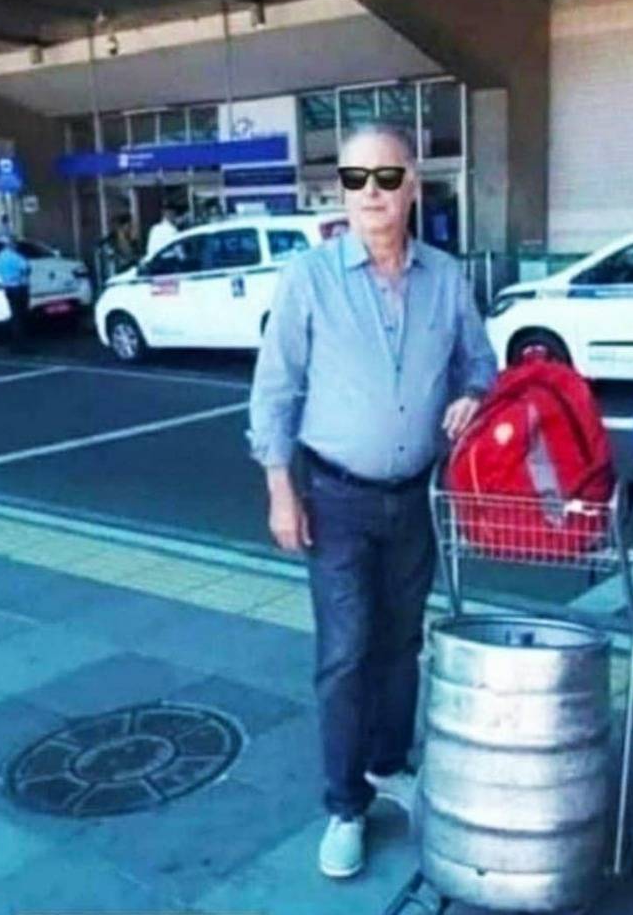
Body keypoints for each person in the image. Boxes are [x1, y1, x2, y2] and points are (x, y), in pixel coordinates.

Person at [248, 124, 497, 881]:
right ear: (341, 190)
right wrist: (281, 491)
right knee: (346, 653)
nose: (372, 193)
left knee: (401, 645)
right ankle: (345, 806)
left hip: (412, 498)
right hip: (335, 500)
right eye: (356, 179)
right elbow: (275, 390)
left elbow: (479, 363)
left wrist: (472, 394)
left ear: (412, 186)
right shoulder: (310, 278)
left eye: (387, 177)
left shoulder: (446, 278)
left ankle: (390, 765)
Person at [0, 236, 30, 351]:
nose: (16, 245)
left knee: (14, 315)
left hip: (8, 287)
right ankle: (20, 344)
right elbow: (26, 269)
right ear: (12, 244)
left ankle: (15, 343)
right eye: (15, 243)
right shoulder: (16, 256)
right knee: (20, 316)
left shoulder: (0, 256)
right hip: (19, 287)